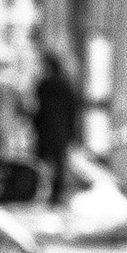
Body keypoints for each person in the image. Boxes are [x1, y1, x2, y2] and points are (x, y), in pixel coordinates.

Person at [32, 48, 83, 206]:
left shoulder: (43, 85)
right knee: (59, 161)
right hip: (61, 129)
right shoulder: (65, 85)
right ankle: (56, 193)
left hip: (46, 129)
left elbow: (37, 109)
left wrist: (36, 125)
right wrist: (72, 131)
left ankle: (41, 190)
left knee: (43, 162)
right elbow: (73, 109)